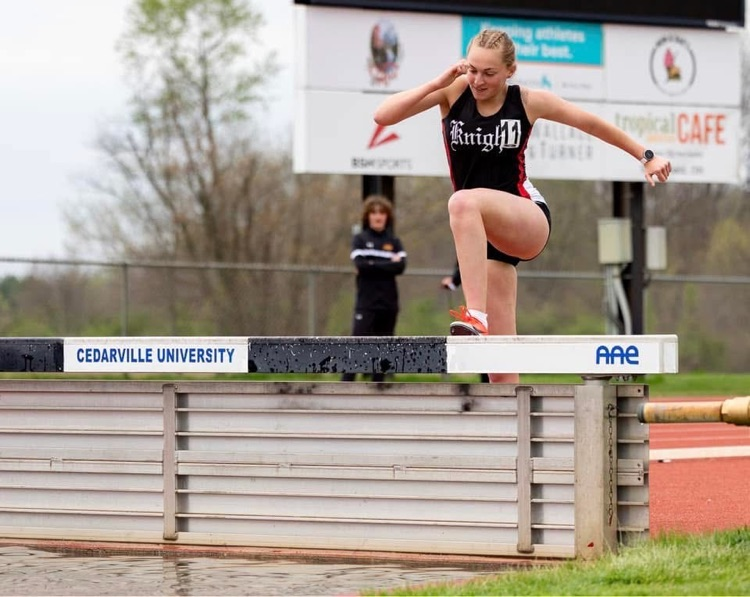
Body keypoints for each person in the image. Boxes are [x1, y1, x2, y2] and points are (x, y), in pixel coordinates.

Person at [374, 28, 672, 383]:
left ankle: (475, 318)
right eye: (472, 70)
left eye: (489, 73)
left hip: (525, 217)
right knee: (500, 370)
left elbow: (589, 123)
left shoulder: (527, 101)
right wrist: (437, 82)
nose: (478, 81)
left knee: (462, 202)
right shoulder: (453, 93)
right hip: (489, 241)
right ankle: (513, 430)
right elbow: (383, 116)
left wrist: (646, 155)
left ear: (509, 71)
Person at [342, 195, 407, 382]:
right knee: (357, 343)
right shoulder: (360, 239)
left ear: (387, 217)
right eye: (374, 213)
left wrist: (373, 264)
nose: (378, 217)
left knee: (384, 348)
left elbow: (401, 266)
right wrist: (387, 263)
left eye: (382, 213)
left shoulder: (394, 241)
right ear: (367, 216)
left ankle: (378, 388)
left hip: (389, 303)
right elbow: (361, 265)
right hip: (366, 303)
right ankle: (345, 386)